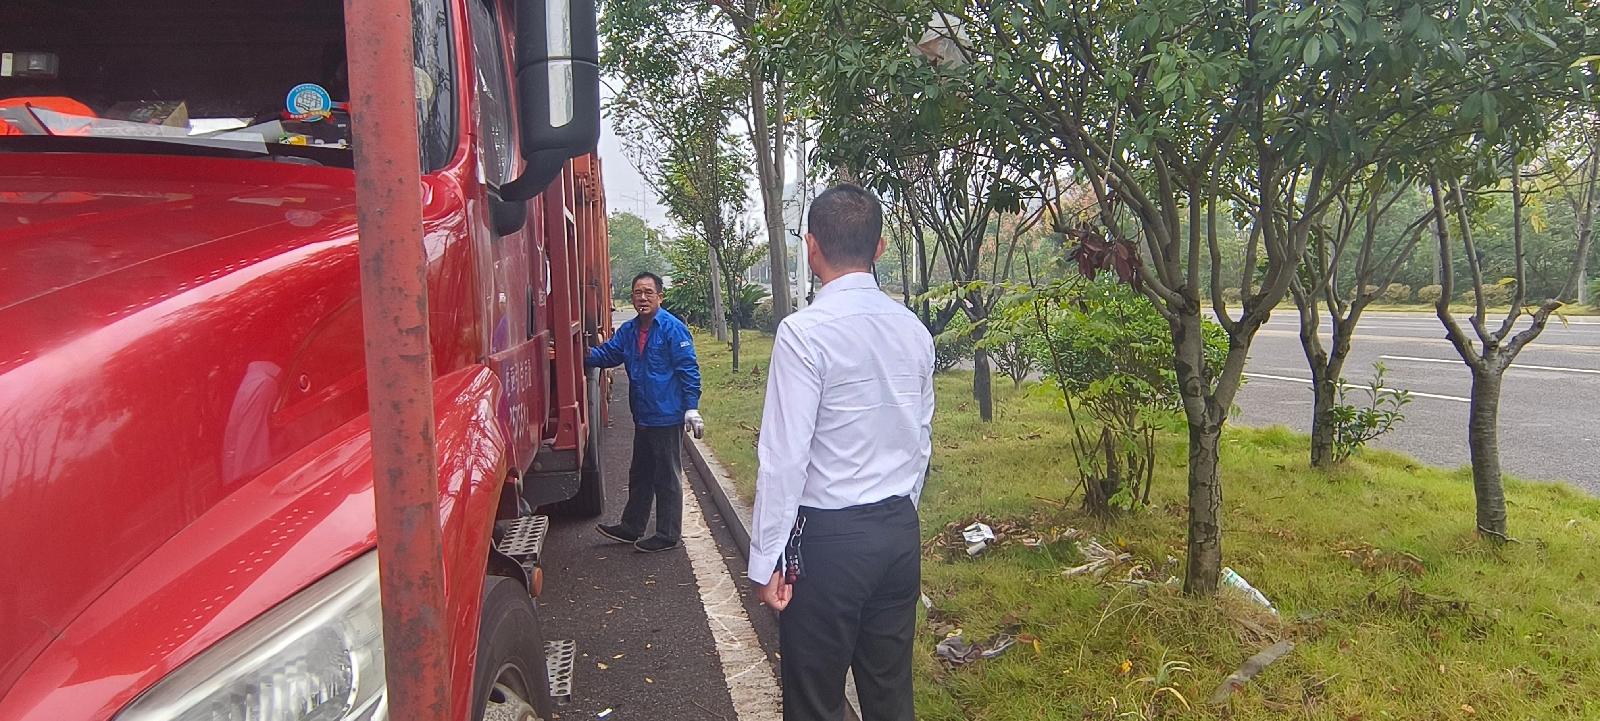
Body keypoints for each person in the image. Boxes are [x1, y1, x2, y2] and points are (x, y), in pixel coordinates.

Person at [748, 184, 935, 720]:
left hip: (828, 541)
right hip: (897, 532)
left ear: (811, 246)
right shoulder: (914, 330)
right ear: (879, 248)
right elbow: (919, 440)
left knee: (815, 700)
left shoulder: (803, 333)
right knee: (890, 694)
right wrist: (898, 515)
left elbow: (784, 458)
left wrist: (766, 560)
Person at [586, 272, 704, 553]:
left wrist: (691, 407)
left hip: (666, 415)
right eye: (638, 293)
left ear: (660, 297)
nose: (642, 298)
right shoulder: (629, 331)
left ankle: (668, 534)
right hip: (643, 415)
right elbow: (609, 355)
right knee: (640, 473)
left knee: (666, 476)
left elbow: (688, 369)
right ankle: (632, 527)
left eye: (648, 293)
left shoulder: (672, 328)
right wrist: (578, 352)